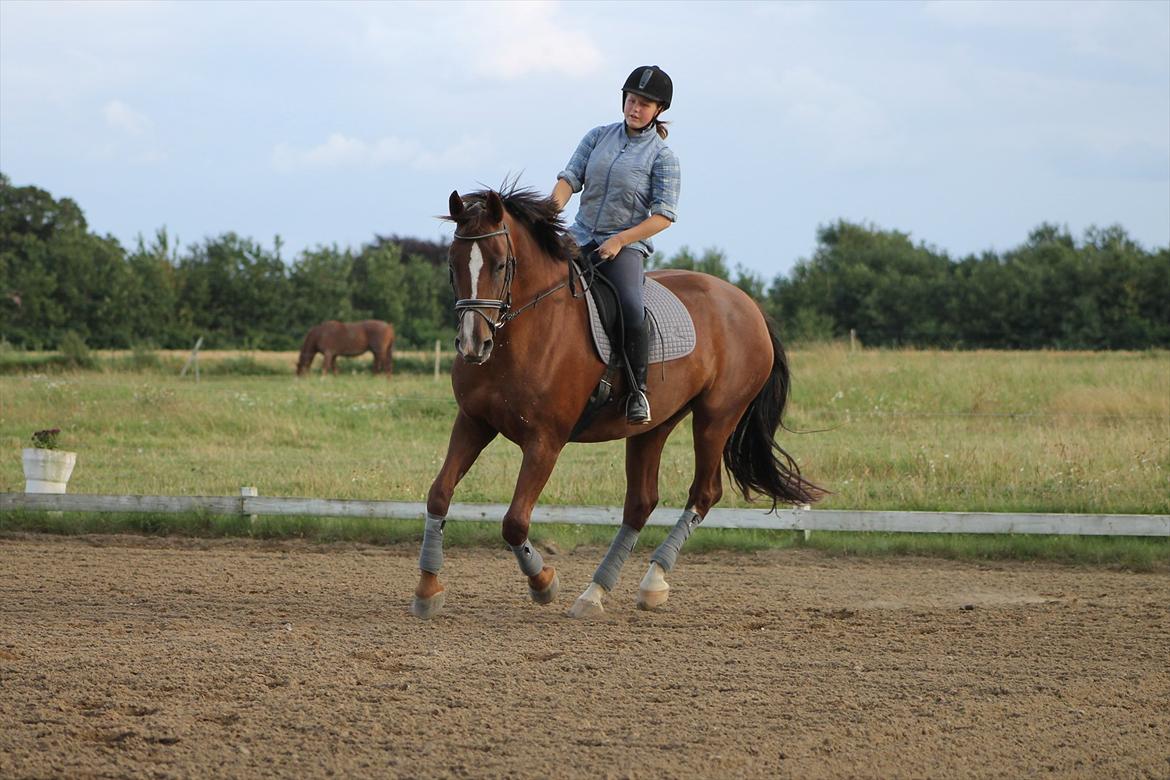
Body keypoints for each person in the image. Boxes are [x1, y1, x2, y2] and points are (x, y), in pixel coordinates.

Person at [552, 65, 680, 425]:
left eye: (644, 104)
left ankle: (638, 391)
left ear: (659, 111)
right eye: (632, 100)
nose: (635, 109)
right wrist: (548, 214)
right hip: (580, 234)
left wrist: (621, 240)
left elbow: (664, 216)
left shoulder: (663, 157)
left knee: (628, 304)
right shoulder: (597, 137)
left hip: (626, 246)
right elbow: (569, 179)